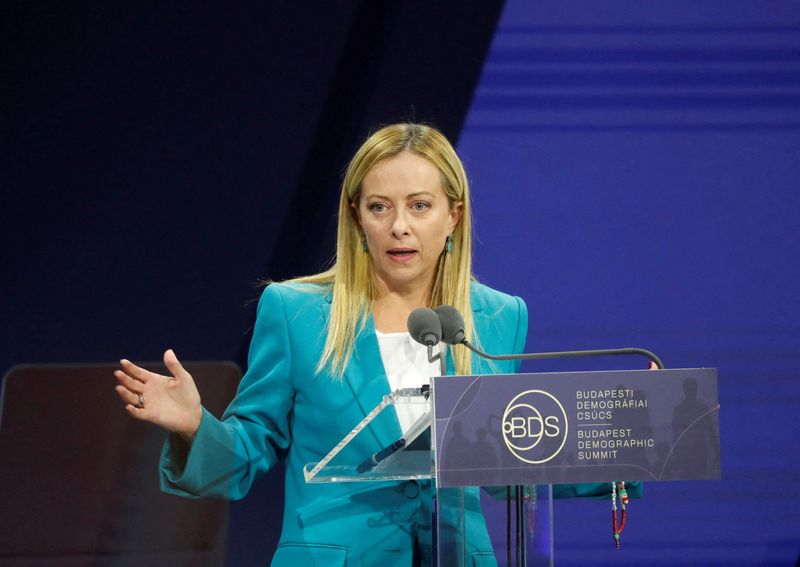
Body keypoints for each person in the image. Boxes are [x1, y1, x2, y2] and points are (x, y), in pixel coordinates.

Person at [114, 123, 528, 566]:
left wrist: (608, 454)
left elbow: (508, 460)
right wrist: (196, 427)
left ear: (454, 215)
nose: (399, 227)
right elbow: (252, 444)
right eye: (379, 207)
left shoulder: (498, 318)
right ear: (356, 216)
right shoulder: (297, 312)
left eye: (420, 206)